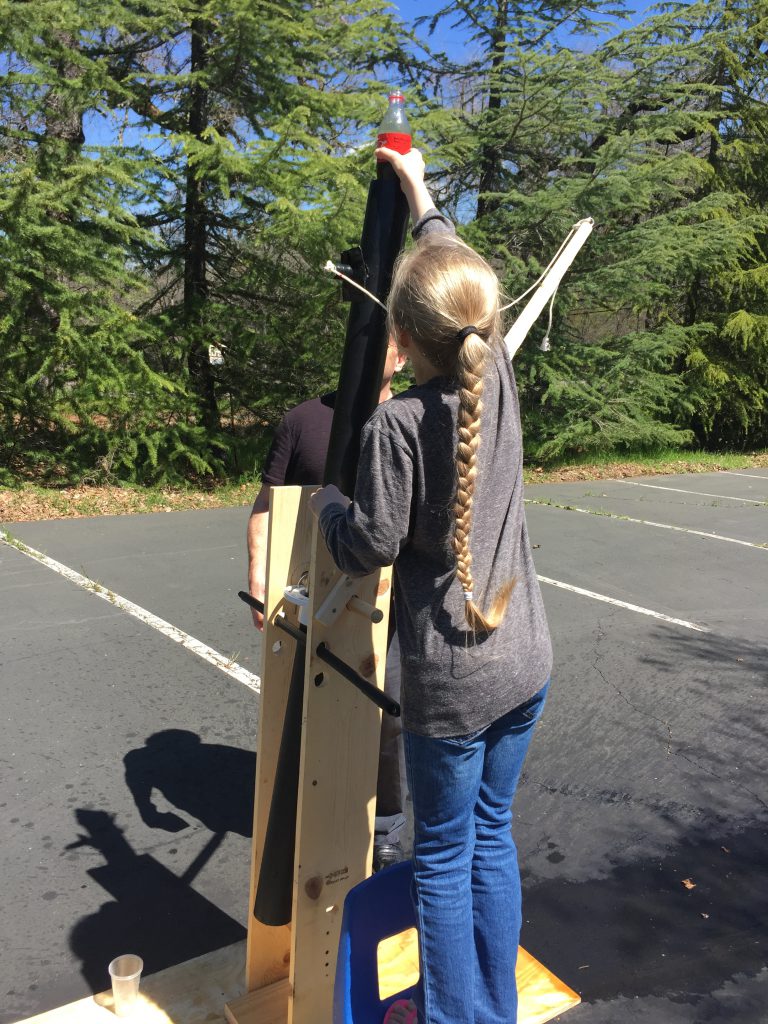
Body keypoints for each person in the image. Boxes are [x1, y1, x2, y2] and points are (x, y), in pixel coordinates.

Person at [309, 146, 552, 1024]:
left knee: (445, 859)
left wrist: (329, 507)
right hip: (526, 664)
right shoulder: (501, 372)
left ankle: (458, 1018)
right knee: (491, 838)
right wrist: (419, 190)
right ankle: (492, 1008)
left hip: (454, 688)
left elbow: (368, 546)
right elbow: (457, 270)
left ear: (400, 338)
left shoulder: (396, 426)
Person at [247, 339, 408, 870]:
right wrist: (259, 579)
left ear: (402, 357)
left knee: (385, 715)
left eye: (387, 344)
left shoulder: (411, 419)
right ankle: (303, 813)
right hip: (310, 593)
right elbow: (267, 506)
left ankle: (384, 826)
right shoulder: (304, 420)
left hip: (390, 602)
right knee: (302, 704)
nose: (374, 353)